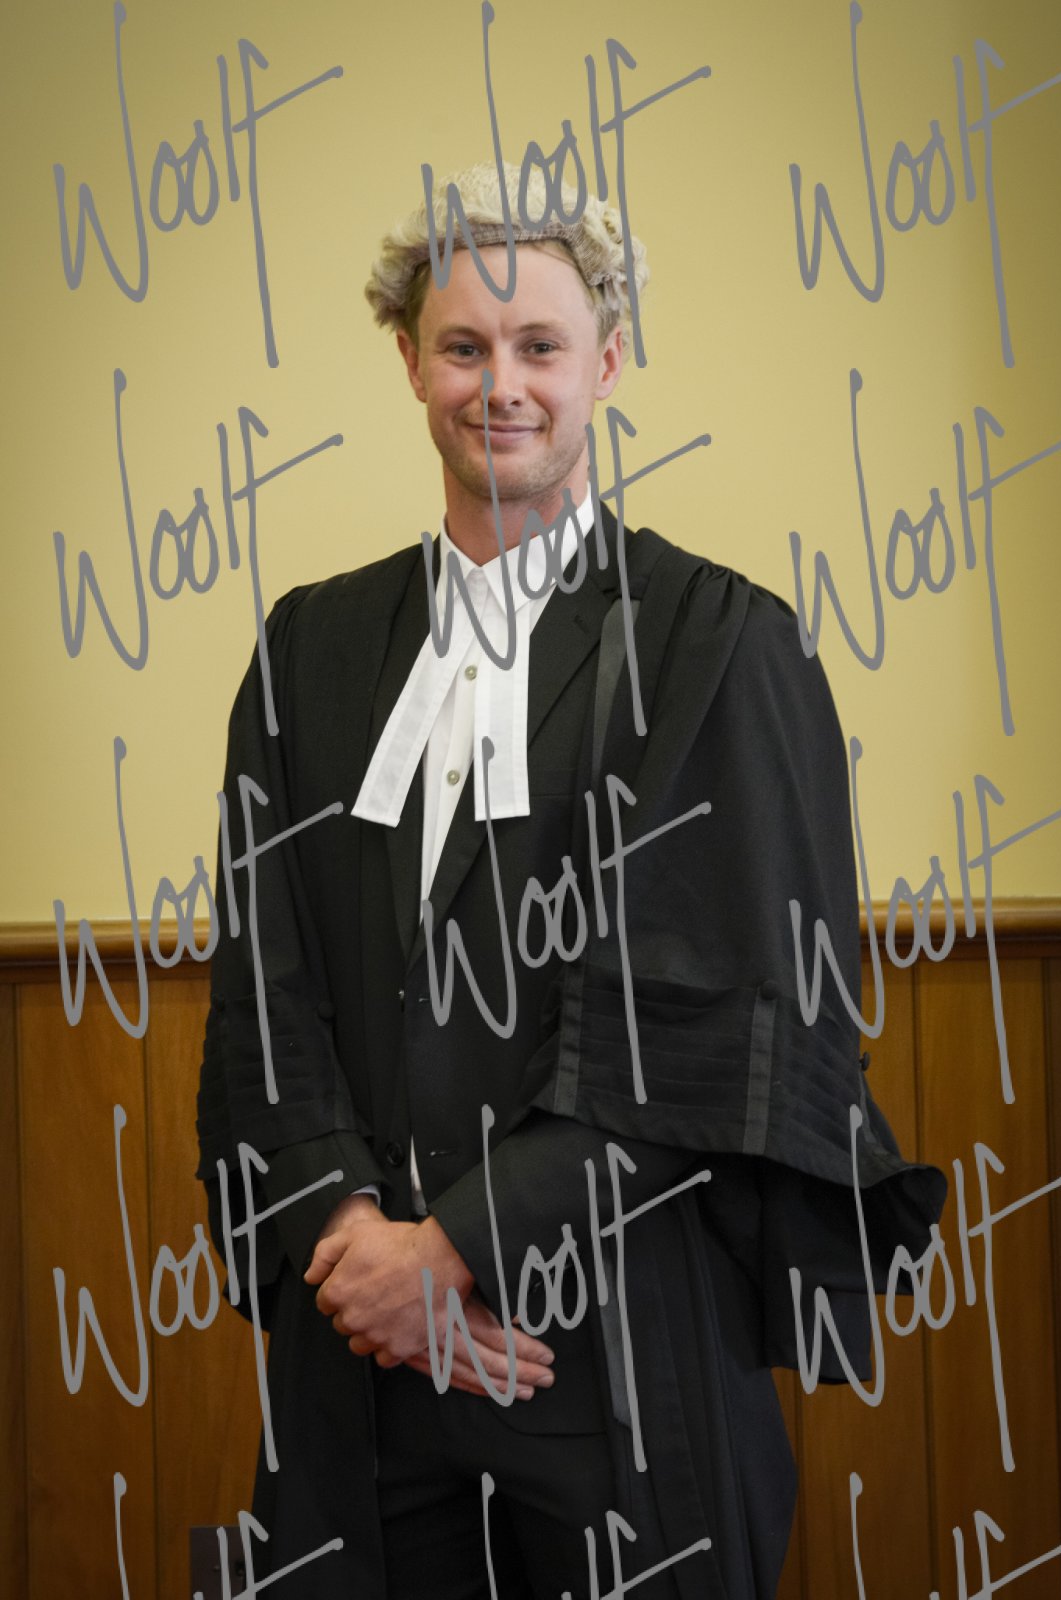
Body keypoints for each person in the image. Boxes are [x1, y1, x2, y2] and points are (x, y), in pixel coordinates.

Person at [196, 161, 944, 1600]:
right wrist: (355, 1243)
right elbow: (263, 991)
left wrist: (457, 1250)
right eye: (463, 346)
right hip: (359, 1360)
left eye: (539, 345)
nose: (502, 385)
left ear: (607, 360)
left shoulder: (723, 645)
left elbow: (724, 1016)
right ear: (409, 361)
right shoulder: (307, 651)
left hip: (623, 1349)